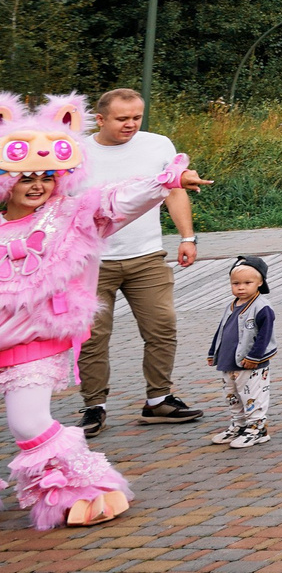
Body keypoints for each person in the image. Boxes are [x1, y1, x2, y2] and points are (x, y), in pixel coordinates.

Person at [2, 93, 190, 528]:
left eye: (47, 177)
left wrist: (168, 180)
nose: (37, 186)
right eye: (26, 177)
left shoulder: (70, 215)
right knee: (23, 428)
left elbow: (115, 201)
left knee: (29, 422)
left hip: (35, 340)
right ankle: (59, 488)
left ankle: (95, 488)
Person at [78, 87, 208, 431]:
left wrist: (187, 237)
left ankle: (158, 401)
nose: (131, 124)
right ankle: (94, 406)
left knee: (162, 327)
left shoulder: (157, 145)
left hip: (147, 256)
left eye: (137, 117)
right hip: (90, 260)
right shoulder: (76, 152)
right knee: (92, 335)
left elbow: (173, 190)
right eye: (122, 118)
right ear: (100, 118)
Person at [206, 255, 277, 449]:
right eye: (236, 283)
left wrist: (255, 357)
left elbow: (265, 335)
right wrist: (214, 352)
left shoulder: (262, 308)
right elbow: (221, 331)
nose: (241, 287)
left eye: (247, 282)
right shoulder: (231, 306)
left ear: (260, 283)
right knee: (232, 395)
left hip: (251, 363)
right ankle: (238, 425)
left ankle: (257, 428)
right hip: (229, 362)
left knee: (252, 396)